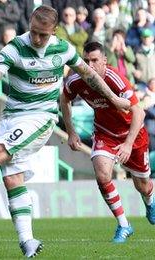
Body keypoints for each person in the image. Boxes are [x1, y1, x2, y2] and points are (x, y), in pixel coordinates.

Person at [0, 6, 131, 257]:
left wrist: (114, 98)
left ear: (54, 31)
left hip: (41, 118)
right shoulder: (15, 47)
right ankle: (28, 241)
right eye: (34, 32)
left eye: (43, 35)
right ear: (29, 23)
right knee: (12, 179)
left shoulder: (63, 49)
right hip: (12, 117)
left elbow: (89, 75)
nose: (37, 39)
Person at [61, 41, 155, 243]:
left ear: (104, 61)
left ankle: (149, 202)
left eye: (94, 60)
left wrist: (128, 144)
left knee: (143, 185)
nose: (90, 65)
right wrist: (71, 132)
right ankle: (124, 224)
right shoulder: (76, 78)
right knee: (102, 174)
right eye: (86, 60)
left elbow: (138, 111)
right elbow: (64, 100)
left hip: (133, 135)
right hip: (105, 134)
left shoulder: (116, 79)